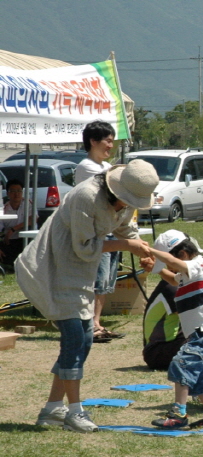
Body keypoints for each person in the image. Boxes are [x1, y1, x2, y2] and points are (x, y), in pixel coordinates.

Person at [20, 160, 155, 432]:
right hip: (55, 268)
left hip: (82, 274)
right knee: (74, 339)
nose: (126, 206)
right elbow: (83, 247)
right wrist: (126, 245)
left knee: (84, 341)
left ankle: (52, 408)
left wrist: (142, 250)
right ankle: (74, 411)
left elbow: (125, 229)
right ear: (115, 189)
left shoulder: (123, 201)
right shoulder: (86, 196)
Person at [147, 231, 203, 429]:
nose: (168, 266)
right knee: (200, 378)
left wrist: (149, 250)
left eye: (168, 261)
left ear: (181, 254)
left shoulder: (199, 264)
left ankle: (178, 414)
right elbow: (175, 280)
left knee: (182, 364)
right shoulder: (186, 273)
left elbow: (178, 268)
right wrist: (156, 269)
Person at [75, 120, 123, 343]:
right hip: (95, 233)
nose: (110, 146)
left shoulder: (106, 168)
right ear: (93, 141)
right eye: (107, 140)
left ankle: (97, 322)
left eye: (112, 141)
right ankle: (91, 325)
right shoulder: (86, 167)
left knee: (106, 280)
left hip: (110, 229)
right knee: (97, 279)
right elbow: (109, 195)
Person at [0, 179, 26, 262]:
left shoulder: (28, 204)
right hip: (10, 240)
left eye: (19, 191)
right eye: (13, 191)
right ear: (8, 193)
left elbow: (32, 219)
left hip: (25, 239)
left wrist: (12, 230)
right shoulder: (4, 209)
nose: (17, 194)